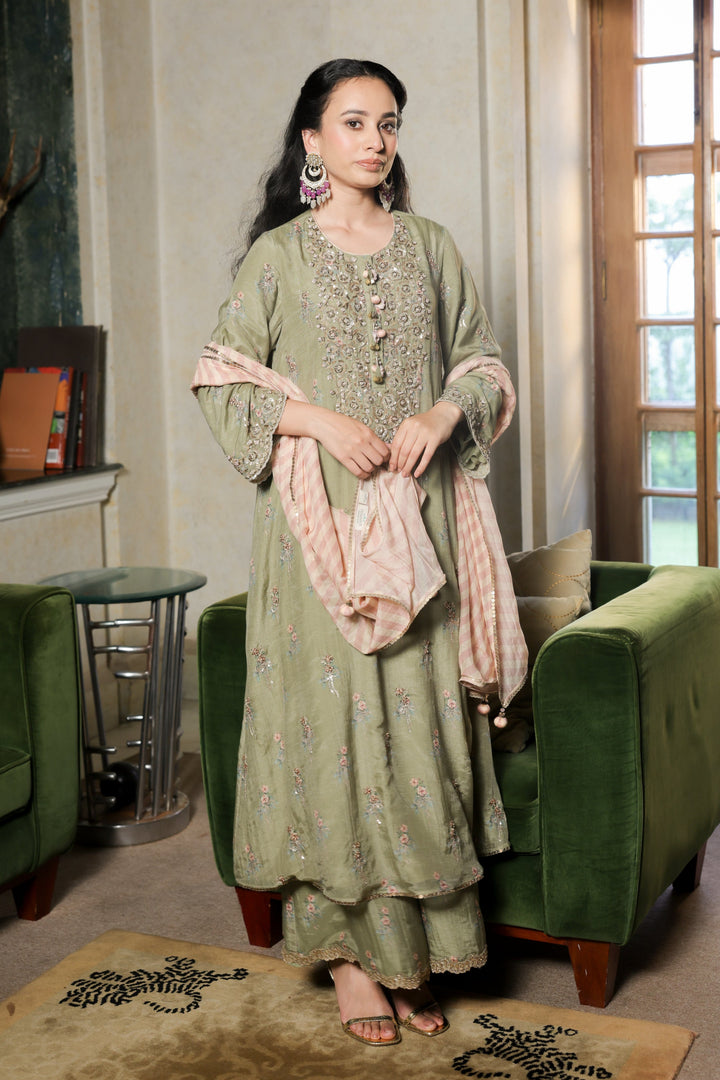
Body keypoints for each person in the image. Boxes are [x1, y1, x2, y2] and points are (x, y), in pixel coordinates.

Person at [192, 58, 527, 1047]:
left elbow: (485, 365)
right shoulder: (278, 259)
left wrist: (440, 411)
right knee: (334, 738)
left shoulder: (432, 247)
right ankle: (348, 962)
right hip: (317, 540)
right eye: (353, 123)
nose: (376, 140)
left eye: (389, 123)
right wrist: (316, 422)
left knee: (421, 735)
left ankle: (413, 955)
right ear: (311, 143)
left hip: (421, 531)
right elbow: (219, 379)